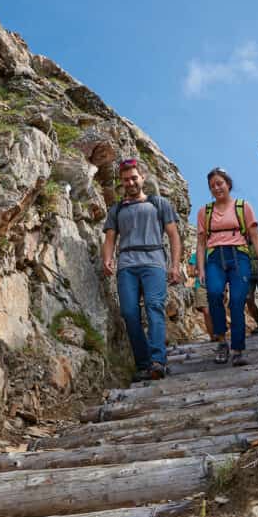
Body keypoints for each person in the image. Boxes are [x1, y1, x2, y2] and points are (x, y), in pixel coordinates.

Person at [102, 158, 182, 381]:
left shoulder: (159, 203)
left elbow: (174, 236)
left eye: (134, 178)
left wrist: (174, 266)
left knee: (154, 307)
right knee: (129, 313)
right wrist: (107, 259)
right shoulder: (116, 209)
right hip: (127, 264)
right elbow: (110, 238)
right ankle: (143, 362)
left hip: (154, 262)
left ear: (142, 178)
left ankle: (157, 361)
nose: (130, 182)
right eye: (126, 179)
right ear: (122, 182)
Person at [196, 167, 258, 366]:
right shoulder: (205, 211)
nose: (216, 188)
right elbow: (201, 242)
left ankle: (238, 349)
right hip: (215, 258)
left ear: (228, 184)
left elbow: (255, 236)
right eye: (212, 186)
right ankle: (221, 343)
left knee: (238, 300)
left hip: (239, 257)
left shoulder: (243, 206)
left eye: (219, 183)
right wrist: (201, 268)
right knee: (213, 294)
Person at [187, 252, 216, 341]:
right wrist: (202, 272)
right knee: (206, 312)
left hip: (215, 285)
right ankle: (213, 337)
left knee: (216, 311)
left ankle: (219, 334)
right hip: (201, 286)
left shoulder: (215, 253)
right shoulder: (195, 255)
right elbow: (191, 273)